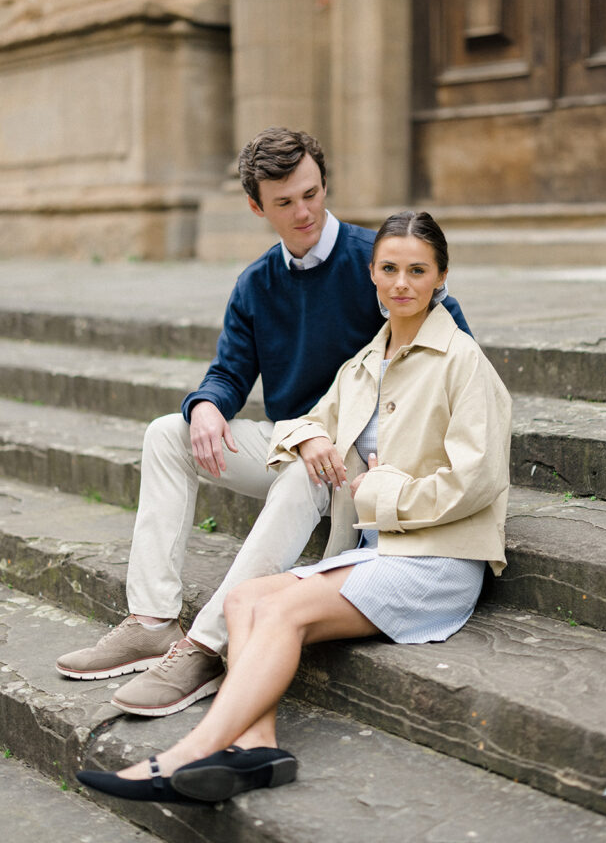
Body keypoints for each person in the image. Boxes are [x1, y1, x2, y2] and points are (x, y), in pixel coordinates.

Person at [76, 210, 511, 805]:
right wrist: (308, 436)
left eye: (417, 270)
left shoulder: (463, 361)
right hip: (374, 551)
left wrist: (381, 494)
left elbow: (478, 479)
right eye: (389, 269)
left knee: (278, 613)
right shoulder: (362, 367)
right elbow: (309, 418)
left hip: (435, 557)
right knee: (246, 598)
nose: (401, 283)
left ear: (441, 278)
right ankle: (258, 748)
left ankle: (186, 755)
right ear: (372, 275)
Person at [56, 130, 472, 718]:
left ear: (324, 183)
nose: (302, 211)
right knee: (165, 435)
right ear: (257, 207)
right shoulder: (257, 284)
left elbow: (451, 344)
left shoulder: (375, 262)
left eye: (311, 193)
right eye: (284, 202)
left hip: (360, 454)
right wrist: (205, 405)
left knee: (304, 473)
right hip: (293, 436)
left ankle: (206, 645)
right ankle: (151, 620)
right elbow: (229, 372)